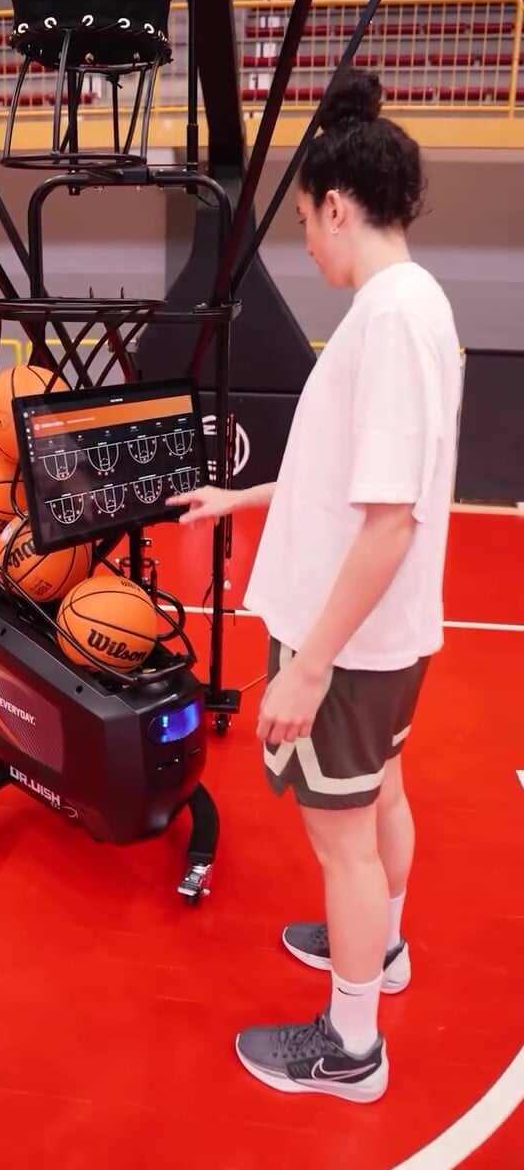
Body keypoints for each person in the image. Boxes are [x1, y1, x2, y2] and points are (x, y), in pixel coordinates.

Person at [167, 68, 462, 1104]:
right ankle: (380, 951)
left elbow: (388, 522)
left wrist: (310, 666)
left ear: (340, 205)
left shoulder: (388, 320)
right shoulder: (410, 306)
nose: (305, 244)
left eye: (304, 223)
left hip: (352, 641)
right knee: (381, 790)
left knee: (340, 839)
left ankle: (351, 1045)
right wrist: (239, 498)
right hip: (386, 637)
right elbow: (353, 480)